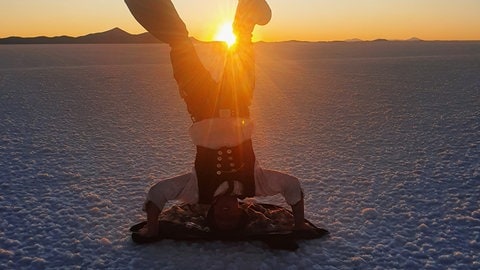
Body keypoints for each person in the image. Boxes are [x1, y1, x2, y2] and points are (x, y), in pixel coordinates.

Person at [125, 0, 313, 241]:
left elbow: (158, 193)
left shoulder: (195, 190)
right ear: (241, 211)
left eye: (220, 219)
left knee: (179, 44)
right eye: (232, 218)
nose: (226, 214)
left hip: (200, 106)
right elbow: (292, 187)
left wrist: (152, 228)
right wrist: (298, 225)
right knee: (243, 42)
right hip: (236, 104)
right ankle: (248, 7)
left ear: (211, 212)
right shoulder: (256, 184)